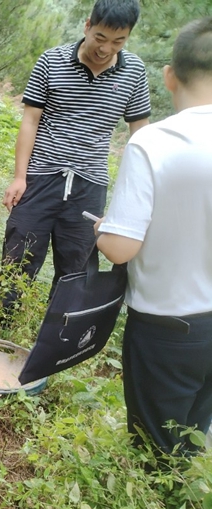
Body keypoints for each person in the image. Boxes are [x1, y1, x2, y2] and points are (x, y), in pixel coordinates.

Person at [96, 17, 212, 455]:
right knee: (195, 436)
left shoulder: (154, 143)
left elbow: (121, 247)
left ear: (168, 76)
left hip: (168, 329)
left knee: (155, 451)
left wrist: (103, 231)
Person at [0, 0, 150, 313]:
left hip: (89, 186)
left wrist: (132, 200)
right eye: (100, 37)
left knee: (75, 272)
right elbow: (30, 121)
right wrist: (19, 176)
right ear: (87, 25)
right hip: (40, 178)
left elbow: (141, 136)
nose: (106, 48)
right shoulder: (51, 61)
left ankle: (54, 343)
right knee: (17, 260)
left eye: (118, 41)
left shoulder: (134, 71)